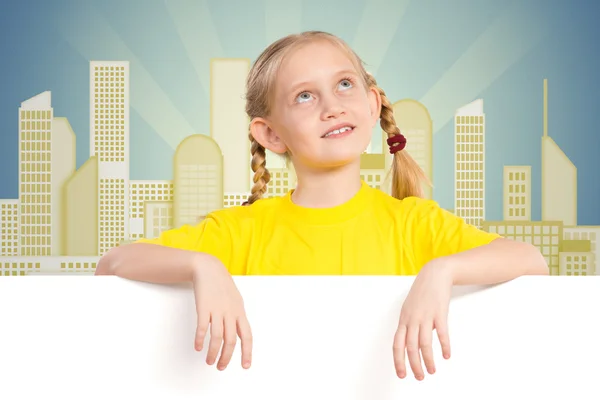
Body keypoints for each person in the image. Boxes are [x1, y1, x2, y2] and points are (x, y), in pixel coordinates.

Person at [94, 31, 549, 381]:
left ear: (372, 106)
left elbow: (531, 261)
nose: (332, 107)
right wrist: (202, 266)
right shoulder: (239, 232)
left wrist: (441, 272)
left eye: (345, 85)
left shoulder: (413, 224)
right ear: (270, 135)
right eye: (305, 96)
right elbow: (112, 263)